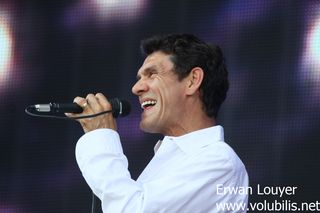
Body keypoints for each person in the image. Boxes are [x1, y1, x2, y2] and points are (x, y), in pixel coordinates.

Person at [69, 34, 249, 212]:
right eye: (140, 77)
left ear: (192, 80)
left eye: (152, 74)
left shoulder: (219, 162)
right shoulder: (170, 160)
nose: (136, 88)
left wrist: (101, 136)